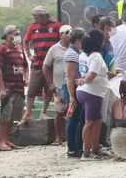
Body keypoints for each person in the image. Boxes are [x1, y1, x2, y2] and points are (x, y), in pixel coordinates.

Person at [21, 6, 61, 124]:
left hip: (50, 64)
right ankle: (27, 113)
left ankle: (43, 112)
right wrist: (29, 55)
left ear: (44, 16)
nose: (35, 19)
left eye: (37, 17)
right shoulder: (32, 27)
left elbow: (61, 40)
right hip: (37, 63)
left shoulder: (56, 26)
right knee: (32, 89)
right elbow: (26, 41)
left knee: (49, 89)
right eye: (34, 17)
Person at [0, 25, 29, 152]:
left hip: (19, 88)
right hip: (8, 87)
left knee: (13, 116)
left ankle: (8, 140)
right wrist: (1, 88)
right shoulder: (1, 49)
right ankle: (1, 142)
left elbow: (25, 66)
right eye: (16, 34)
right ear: (8, 35)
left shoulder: (20, 49)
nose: (18, 36)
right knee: (5, 116)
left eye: (19, 34)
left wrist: (26, 77)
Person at [76, 32, 109, 160]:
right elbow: (91, 74)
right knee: (89, 123)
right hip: (92, 92)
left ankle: (95, 149)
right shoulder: (96, 56)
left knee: (97, 121)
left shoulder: (83, 55)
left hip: (86, 91)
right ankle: (86, 152)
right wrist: (84, 80)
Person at [43, 25, 72, 146]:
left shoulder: (75, 48)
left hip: (72, 85)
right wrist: (50, 84)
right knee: (59, 112)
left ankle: (70, 138)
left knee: (72, 111)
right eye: (66, 33)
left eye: (71, 32)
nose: (69, 35)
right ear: (61, 35)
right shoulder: (54, 49)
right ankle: (58, 138)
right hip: (59, 86)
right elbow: (45, 66)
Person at [62, 28, 86, 158]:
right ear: (78, 40)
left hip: (76, 87)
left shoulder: (77, 52)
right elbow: (70, 75)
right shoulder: (72, 54)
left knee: (79, 118)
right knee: (73, 119)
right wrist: (72, 96)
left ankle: (78, 145)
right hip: (72, 88)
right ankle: (72, 147)